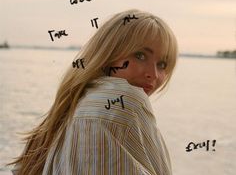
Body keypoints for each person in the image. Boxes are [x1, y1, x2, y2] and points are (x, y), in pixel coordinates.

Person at [8, 9, 178, 175]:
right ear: (109, 53)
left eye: (162, 64)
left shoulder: (66, 111)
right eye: (140, 56)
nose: (153, 74)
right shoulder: (125, 99)